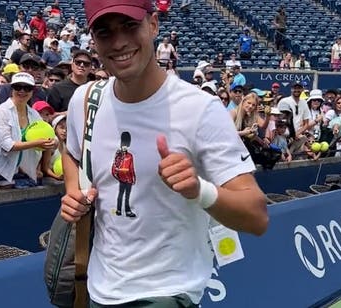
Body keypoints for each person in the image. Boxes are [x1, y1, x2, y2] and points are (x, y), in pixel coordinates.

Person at [60, 1, 268, 307]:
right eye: (105, 32)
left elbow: (257, 216)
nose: (118, 42)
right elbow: (71, 150)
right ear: (93, 40)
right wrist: (73, 192)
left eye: (130, 26)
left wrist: (200, 190)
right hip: (99, 289)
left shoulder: (200, 109)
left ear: (153, 25)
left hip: (167, 293)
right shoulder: (85, 100)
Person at [0, 73, 56, 190]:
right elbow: (7, 145)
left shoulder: (34, 114)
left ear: (32, 91)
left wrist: (52, 143)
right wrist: (37, 143)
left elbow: (49, 135)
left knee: (8, 204)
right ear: (12, 89)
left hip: (13, 167)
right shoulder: (1, 111)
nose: (22, 91)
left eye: (27, 88)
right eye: (18, 87)